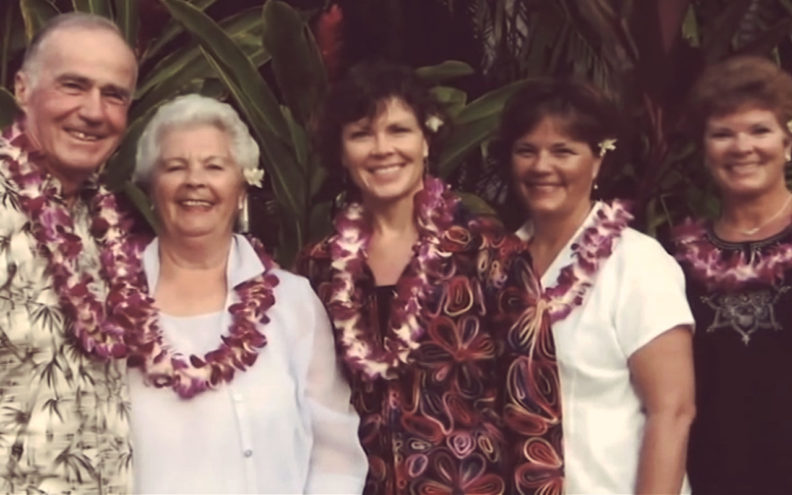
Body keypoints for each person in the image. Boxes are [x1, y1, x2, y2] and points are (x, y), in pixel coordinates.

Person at [298, 62, 563, 495]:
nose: (383, 148)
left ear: (426, 141)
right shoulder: (318, 267)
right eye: (362, 134)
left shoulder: (491, 254)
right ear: (341, 153)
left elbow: (536, 416)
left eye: (399, 130)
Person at [122, 93, 367, 494]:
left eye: (215, 166)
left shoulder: (293, 302)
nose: (194, 180)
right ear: (152, 188)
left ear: (241, 189)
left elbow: (334, 449)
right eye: (175, 167)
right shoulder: (111, 307)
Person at [494, 78, 696, 494]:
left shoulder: (636, 262)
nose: (541, 166)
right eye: (526, 150)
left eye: (563, 151)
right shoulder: (495, 266)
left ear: (598, 160)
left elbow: (672, 411)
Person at [0, 13, 138, 493]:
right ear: (22, 88)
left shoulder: (107, 227)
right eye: (73, 85)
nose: (95, 111)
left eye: (114, 94)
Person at [672, 55, 792, 494]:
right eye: (723, 134)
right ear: (705, 151)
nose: (742, 147)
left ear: (787, 141)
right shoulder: (674, 259)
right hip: (710, 478)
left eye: (760, 129)